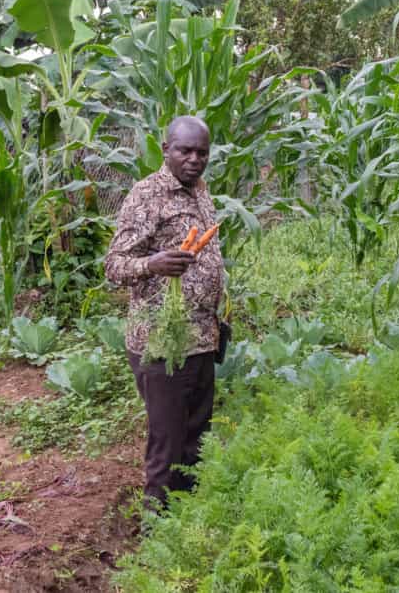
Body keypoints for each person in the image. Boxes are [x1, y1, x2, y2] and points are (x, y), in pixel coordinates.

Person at [105, 115, 225, 510]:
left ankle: (187, 515)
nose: (194, 159)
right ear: (166, 150)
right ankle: (156, 525)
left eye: (202, 152)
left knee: (195, 437)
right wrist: (152, 263)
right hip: (162, 342)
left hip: (202, 338)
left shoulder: (200, 191)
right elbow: (115, 266)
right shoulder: (147, 195)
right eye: (185, 150)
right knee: (167, 441)